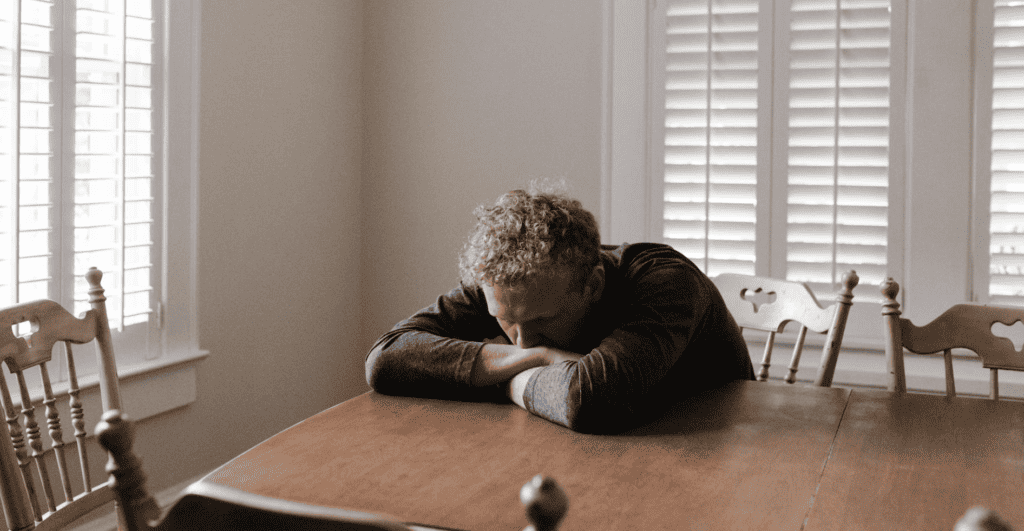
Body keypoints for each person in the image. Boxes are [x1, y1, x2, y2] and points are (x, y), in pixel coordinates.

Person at [365, 188, 753, 433]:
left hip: (725, 450)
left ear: (593, 285)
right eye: (506, 321)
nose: (522, 341)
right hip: (591, 446)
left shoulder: (667, 281)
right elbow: (385, 358)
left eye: (542, 321)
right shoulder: (505, 283)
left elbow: (591, 399)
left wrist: (498, 377)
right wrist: (540, 359)